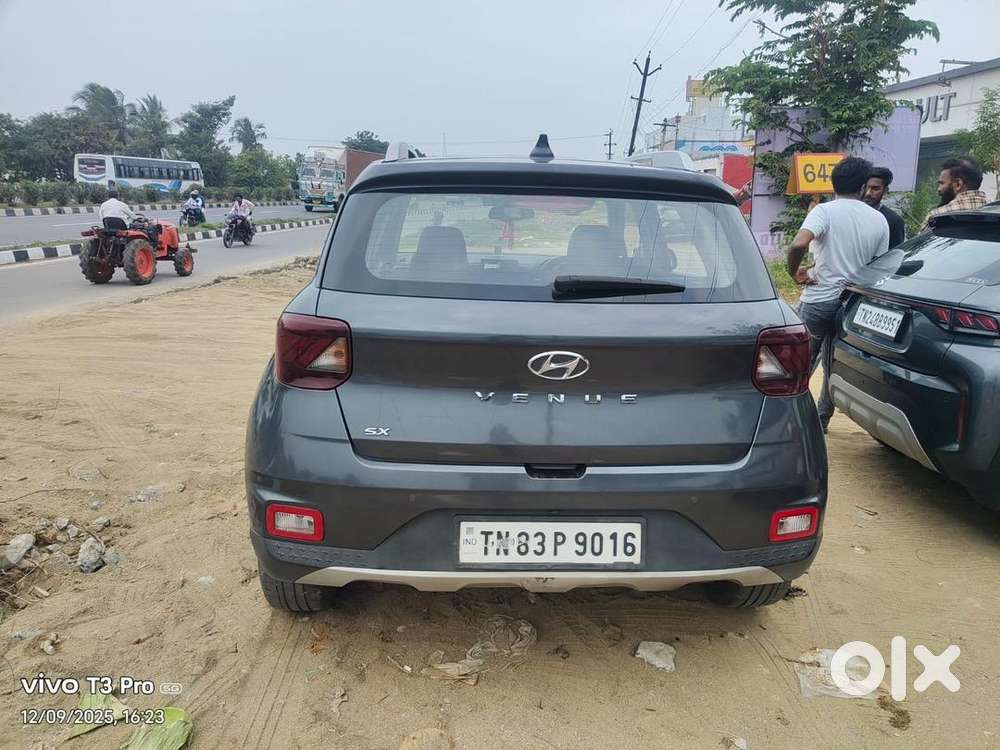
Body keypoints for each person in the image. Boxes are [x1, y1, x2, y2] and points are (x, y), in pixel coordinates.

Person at [787, 157, 889, 433]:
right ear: (863, 186)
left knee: (800, 363)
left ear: (833, 183)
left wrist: (793, 272)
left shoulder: (824, 212)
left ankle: (789, 418)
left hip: (819, 300)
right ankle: (821, 421)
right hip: (853, 304)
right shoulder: (879, 219)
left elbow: (798, 244)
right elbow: (879, 266)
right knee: (834, 365)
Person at [920, 157, 988, 231]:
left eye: (942, 183)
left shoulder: (936, 217)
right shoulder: (993, 213)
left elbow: (921, 238)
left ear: (958, 184)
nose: (938, 189)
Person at [863, 167, 906, 248]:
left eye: (875, 189)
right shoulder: (850, 213)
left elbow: (895, 253)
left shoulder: (894, 221)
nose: (868, 193)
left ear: (885, 190)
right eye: (866, 187)